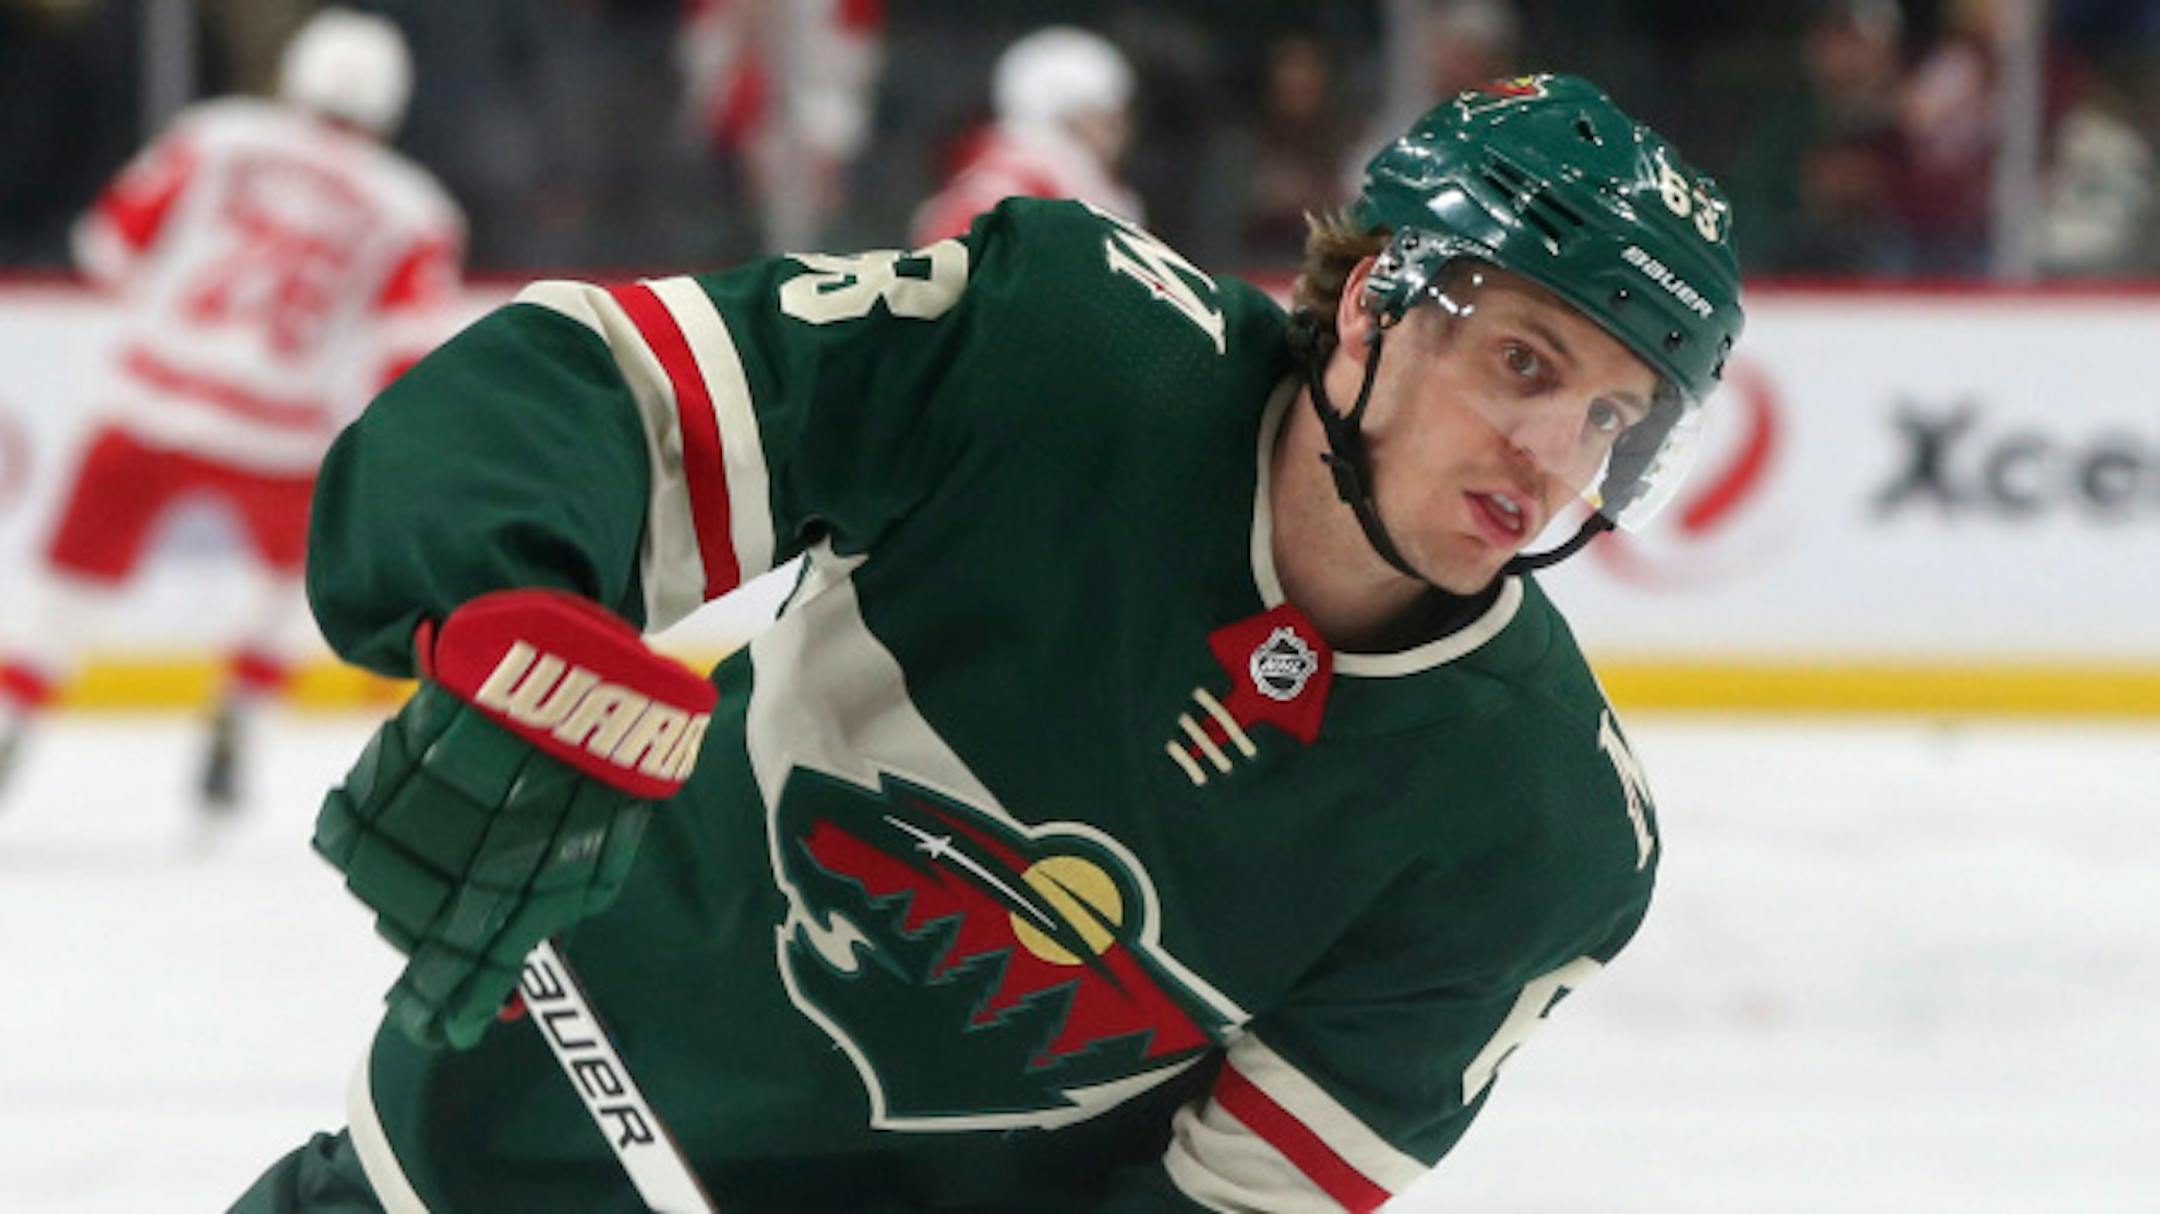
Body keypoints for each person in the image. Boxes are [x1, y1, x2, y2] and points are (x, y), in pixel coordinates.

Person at [234, 73, 1742, 1212]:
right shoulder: (1066, 355)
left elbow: (1238, 1197)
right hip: (490, 1128)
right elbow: (597, 394)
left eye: (1614, 416)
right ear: (1368, 304)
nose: (1553, 457)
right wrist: (514, 602)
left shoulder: (1536, 826)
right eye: (1524, 361)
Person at [0, 8, 464, 811]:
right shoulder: (414, 208)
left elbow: (106, 247)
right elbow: (409, 357)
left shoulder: (215, 135)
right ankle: (243, 715)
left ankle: (12, 716)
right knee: (300, 583)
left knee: (63, 586)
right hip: (283, 433)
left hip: (151, 398)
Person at [910, 25, 1143, 245]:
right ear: (1066, 117)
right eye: (1107, 119)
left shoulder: (1045, 186)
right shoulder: (1015, 192)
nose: (1123, 133)